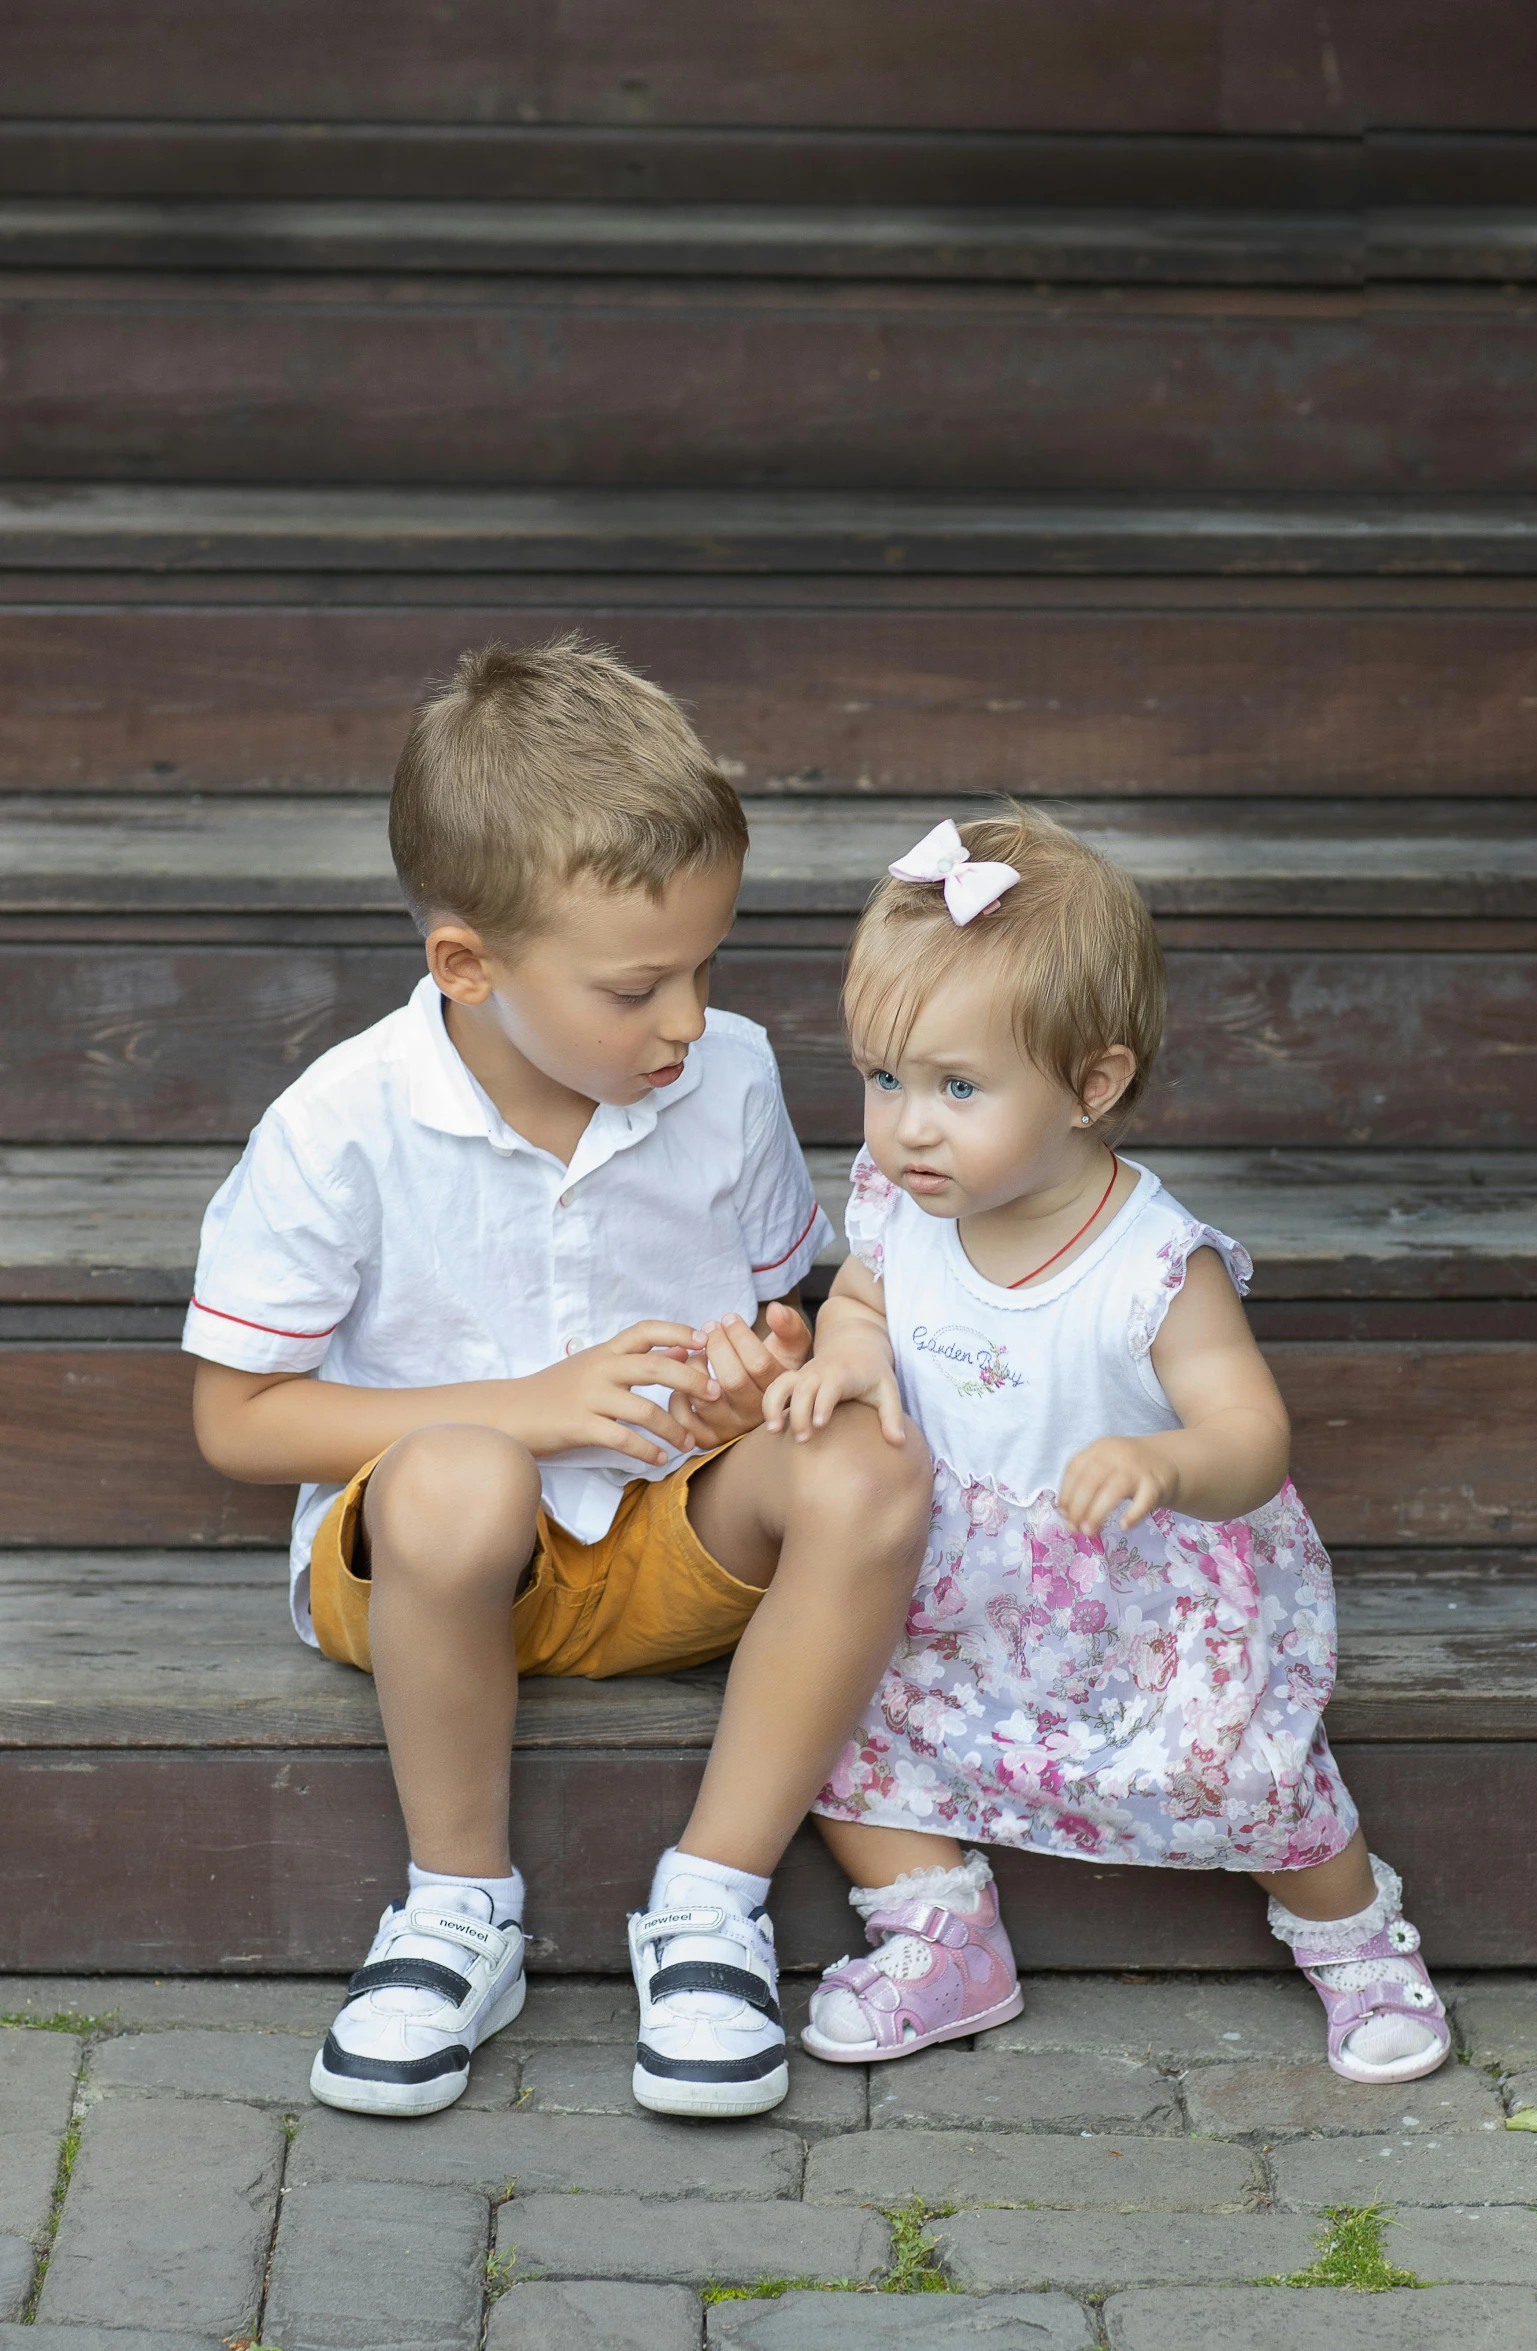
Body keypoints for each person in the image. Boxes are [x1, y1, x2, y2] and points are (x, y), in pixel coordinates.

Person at [186, 637, 931, 2120]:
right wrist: (520, 1405)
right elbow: (234, 1420)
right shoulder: (344, 1122)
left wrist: (762, 1375)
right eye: (638, 984)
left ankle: (710, 1899)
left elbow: (791, 1304)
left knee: (866, 1459)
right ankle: (458, 1908)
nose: (683, 1017)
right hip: (432, 1567)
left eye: (705, 967)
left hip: (665, 1537)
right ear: (467, 962)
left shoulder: (716, 1078)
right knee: (467, 1474)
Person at [764, 811, 1451, 2086]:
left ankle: (1350, 1934)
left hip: (1137, 1596)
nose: (908, 1126)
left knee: (1239, 1767)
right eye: (883, 1076)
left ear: (1091, 1085)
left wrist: (1168, 1465)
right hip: (952, 1590)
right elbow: (861, 1298)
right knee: (850, 1745)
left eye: (957, 1087)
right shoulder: (903, 1208)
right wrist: (847, 1348)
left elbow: (1250, 1431)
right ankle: (940, 1928)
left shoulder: (1153, 1261)